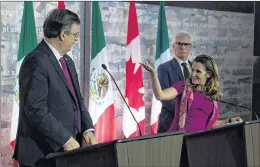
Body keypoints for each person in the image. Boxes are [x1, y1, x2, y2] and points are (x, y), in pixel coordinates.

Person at [13, 9, 98, 167]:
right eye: (75, 35)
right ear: (63, 34)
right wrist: (64, 138)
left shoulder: (67, 61)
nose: (76, 40)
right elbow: (35, 108)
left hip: (68, 153)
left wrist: (88, 129)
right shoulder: (36, 60)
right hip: (43, 155)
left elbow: (77, 101)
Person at [142, 54, 242, 133]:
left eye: (198, 71)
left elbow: (208, 124)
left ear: (208, 74)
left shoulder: (213, 98)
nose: (193, 74)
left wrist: (228, 121)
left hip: (198, 143)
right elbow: (161, 95)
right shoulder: (183, 86)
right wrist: (153, 74)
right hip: (178, 140)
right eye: (192, 69)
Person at [157, 32, 193, 133]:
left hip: (192, 122)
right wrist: (185, 113)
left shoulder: (195, 67)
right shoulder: (164, 68)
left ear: (190, 47)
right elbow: (166, 99)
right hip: (170, 122)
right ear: (173, 46)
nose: (183, 47)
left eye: (186, 44)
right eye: (179, 44)